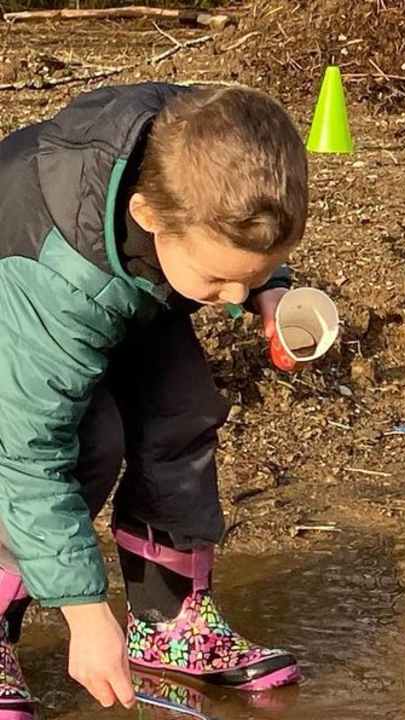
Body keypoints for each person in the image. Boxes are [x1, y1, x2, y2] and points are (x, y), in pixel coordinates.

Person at [0, 83, 310, 717]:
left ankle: (169, 626)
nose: (229, 300)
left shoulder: (214, 147)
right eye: (219, 279)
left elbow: (243, 239)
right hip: (26, 298)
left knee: (182, 410)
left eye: (243, 278)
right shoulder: (59, 279)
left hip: (131, 281)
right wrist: (87, 618)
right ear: (149, 215)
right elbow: (29, 457)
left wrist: (270, 287)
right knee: (89, 441)